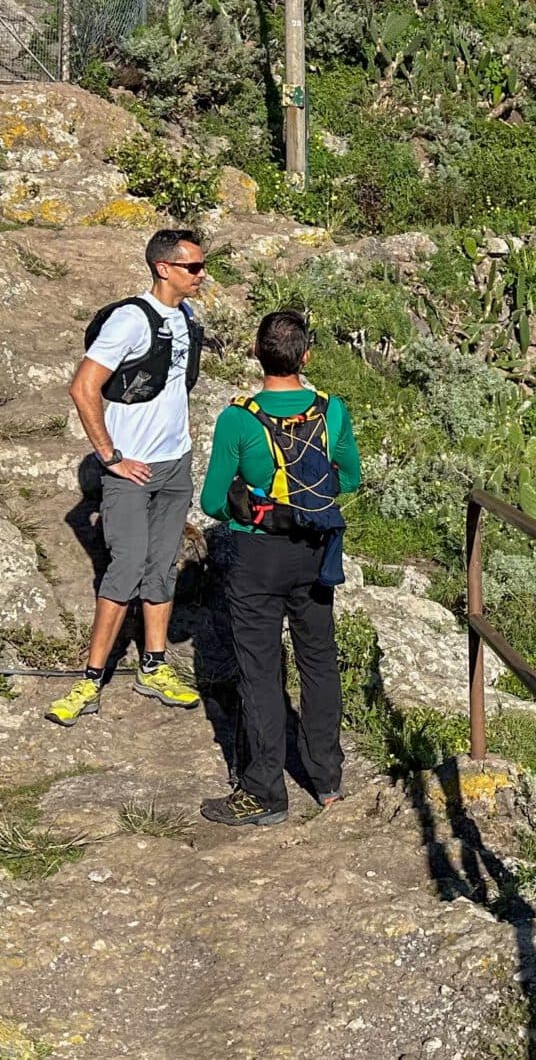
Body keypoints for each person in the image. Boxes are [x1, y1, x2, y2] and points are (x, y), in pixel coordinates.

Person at [197, 308, 360, 826]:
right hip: (316, 551)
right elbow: (349, 479)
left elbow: (211, 502)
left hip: (256, 557)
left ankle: (265, 790)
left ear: (255, 352)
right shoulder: (331, 411)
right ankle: (327, 780)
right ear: (306, 356)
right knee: (318, 660)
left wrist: (249, 501)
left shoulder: (237, 418)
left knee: (259, 671)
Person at [47, 227, 212, 725]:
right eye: (193, 268)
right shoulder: (129, 321)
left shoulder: (186, 317)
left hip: (174, 464)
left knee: (162, 567)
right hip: (132, 471)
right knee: (125, 569)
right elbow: (83, 387)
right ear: (164, 268)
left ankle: (154, 665)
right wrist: (110, 456)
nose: (202, 275)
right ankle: (91, 677)